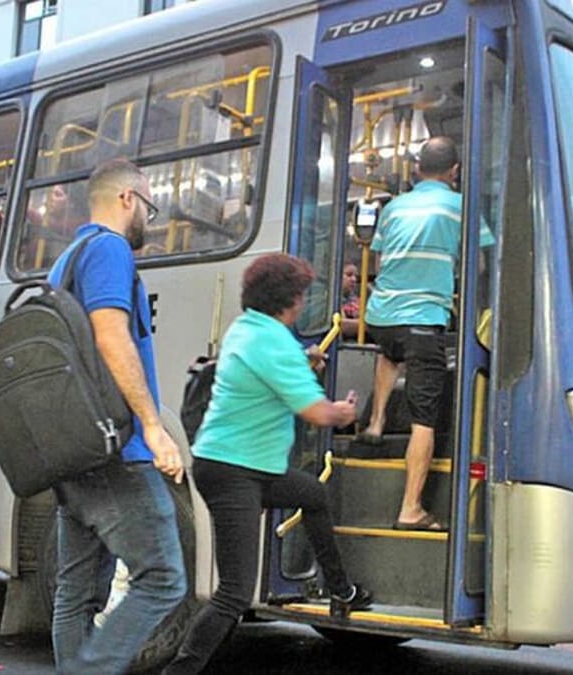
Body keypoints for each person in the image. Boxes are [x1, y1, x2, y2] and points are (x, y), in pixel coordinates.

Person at [164, 253, 373, 675]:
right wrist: (346, 411)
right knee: (234, 594)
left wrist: (302, 360)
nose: (304, 302)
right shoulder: (273, 343)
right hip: (234, 470)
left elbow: (273, 369)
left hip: (245, 466)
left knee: (311, 493)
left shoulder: (249, 328)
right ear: (289, 300)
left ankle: (341, 590)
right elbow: (316, 412)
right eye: (302, 295)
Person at [45, 158, 187, 674]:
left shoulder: (65, 261)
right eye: (149, 206)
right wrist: (152, 426)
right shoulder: (109, 249)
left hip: (74, 448)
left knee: (77, 591)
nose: (149, 217)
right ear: (128, 199)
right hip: (116, 451)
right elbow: (111, 336)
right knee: (164, 577)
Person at [358, 136, 462, 531]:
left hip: (381, 314)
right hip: (423, 317)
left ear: (417, 169)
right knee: (424, 420)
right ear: (454, 172)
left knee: (390, 352)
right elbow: (484, 255)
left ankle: (376, 422)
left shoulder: (394, 207)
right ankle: (411, 509)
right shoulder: (460, 206)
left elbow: (380, 255)